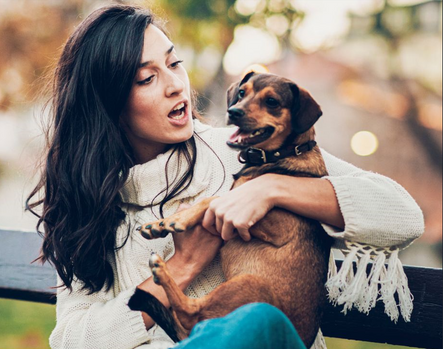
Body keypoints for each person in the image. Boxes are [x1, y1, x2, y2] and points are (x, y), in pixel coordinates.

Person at [26, 4, 424, 349]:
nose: (175, 85)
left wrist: (273, 187)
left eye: (174, 63)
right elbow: (71, 339)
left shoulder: (249, 155)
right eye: (147, 78)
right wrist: (181, 267)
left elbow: (403, 214)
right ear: (108, 105)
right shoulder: (91, 206)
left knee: (257, 323)